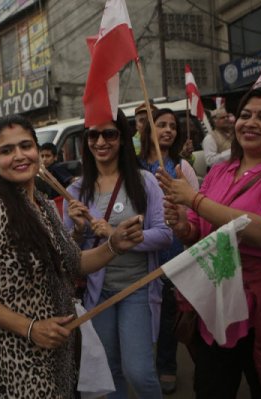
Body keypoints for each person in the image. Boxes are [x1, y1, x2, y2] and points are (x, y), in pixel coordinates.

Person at [0, 114, 144, 398]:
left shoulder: (41, 204)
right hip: (16, 361)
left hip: (57, 353)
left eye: (25, 146)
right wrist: (31, 328)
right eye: (6, 150)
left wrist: (113, 245)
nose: (19, 156)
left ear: (37, 152)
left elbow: (75, 263)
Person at [159, 83, 261, 399]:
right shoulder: (220, 172)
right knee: (212, 387)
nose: (250, 123)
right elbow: (202, 234)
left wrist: (194, 199)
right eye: (245, 115)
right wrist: (183, 227)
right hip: (218, 303)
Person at [63, 109, 172, 399]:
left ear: (122, 138)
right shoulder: (75, 190)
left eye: (109, 133)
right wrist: (77, 230)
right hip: (98, 295)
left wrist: (115, 236)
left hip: (137, 288)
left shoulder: (144, 181)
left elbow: (164, 234)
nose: (101, 141)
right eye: (93, 135)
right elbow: (68, 253)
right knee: (109, 374)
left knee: (139, 371)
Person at [138, 108, 199, 394]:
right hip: (142, 247)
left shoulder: (181, 167)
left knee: (168, 311)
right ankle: (140, 364)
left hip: (174, 247)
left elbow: (196, 207)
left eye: (172, 126)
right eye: (160, 124)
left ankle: (166, 365)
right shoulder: (133, 166)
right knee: (140, 311)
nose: (168, 130)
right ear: (147, 130)